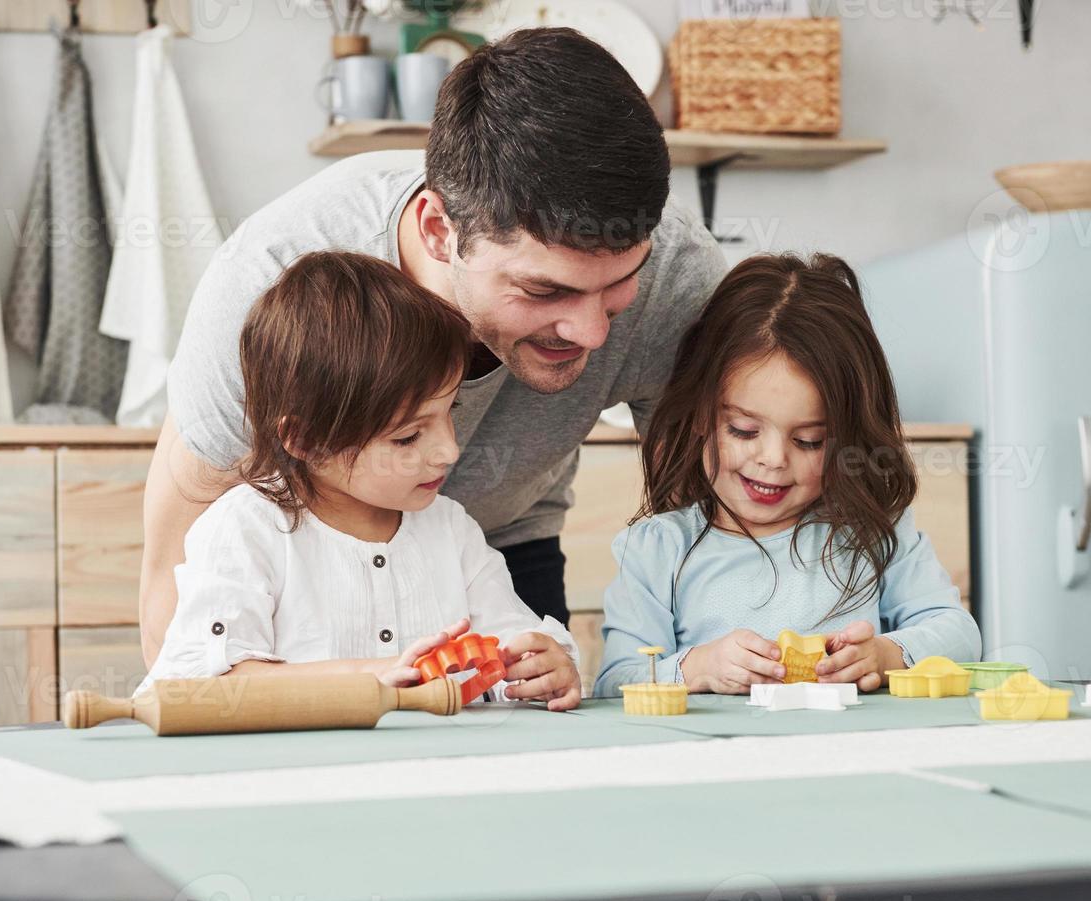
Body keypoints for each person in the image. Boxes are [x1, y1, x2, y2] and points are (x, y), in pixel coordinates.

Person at [140, 27, 728, 666]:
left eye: (619, 286)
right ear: (440, 231)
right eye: (543, 290)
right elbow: (178, 585)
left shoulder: (678, 277)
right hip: (303, 566)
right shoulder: (268, 284)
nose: (592, 334)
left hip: (500, 549)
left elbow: (716, 525)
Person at [139, 251, 581, 710]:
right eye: (408, 436)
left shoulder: (450, 529)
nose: (449, 450)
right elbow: (207, 687)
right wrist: (374, 675)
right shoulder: (244, 530)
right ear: (306, 440)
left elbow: (513, 645)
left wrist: (544, 665)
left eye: (449, 412)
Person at [595, 253, 981, 697]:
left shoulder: (873, 532)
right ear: (701, 415)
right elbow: (614, 683)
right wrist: (697, 667)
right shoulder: (657, 550)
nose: (774, 459)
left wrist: (887, 654)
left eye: (810, 441)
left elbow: (961, 636)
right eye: (744, 430)